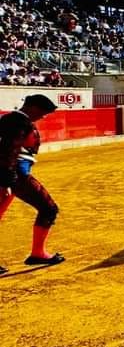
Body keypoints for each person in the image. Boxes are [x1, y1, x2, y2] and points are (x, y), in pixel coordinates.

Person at [0, 94, 63, 272]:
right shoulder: (19, 122)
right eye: (43, 112)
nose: (43, 116)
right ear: (33, 107)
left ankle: (38, 252)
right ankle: (38, 252)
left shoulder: (11, 119)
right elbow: (9, 150)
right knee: (48, 208)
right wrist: (6, 181)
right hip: (14, 174)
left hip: (9, 173)